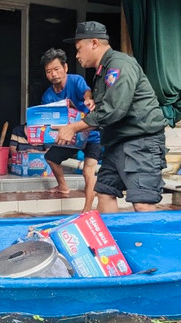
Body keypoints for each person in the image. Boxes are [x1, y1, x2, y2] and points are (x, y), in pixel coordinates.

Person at [56, 21, 167, 213]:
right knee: (105, 192)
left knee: (143, 201)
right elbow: (107, 105)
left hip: (140, 142)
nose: (77, 55)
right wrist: (92, 101)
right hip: (116, 142)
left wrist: (73, 127)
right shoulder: (103, 71)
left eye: (78, 48)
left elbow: (114, 109)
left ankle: (148, 243)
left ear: (94, 43)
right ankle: (110, 242)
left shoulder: (119, 64)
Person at [39, 48, 102, 212]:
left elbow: (87, 91)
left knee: (88, 171)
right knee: (51, 158)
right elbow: (50, 121)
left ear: (65, 68)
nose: (53, 74)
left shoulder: (76, 80)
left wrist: (88, 99)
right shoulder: (47, 96)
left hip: (91, 134)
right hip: (69, 136)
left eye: (56, 69)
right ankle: (63, 186)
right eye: (49, 71)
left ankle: (87, 210)